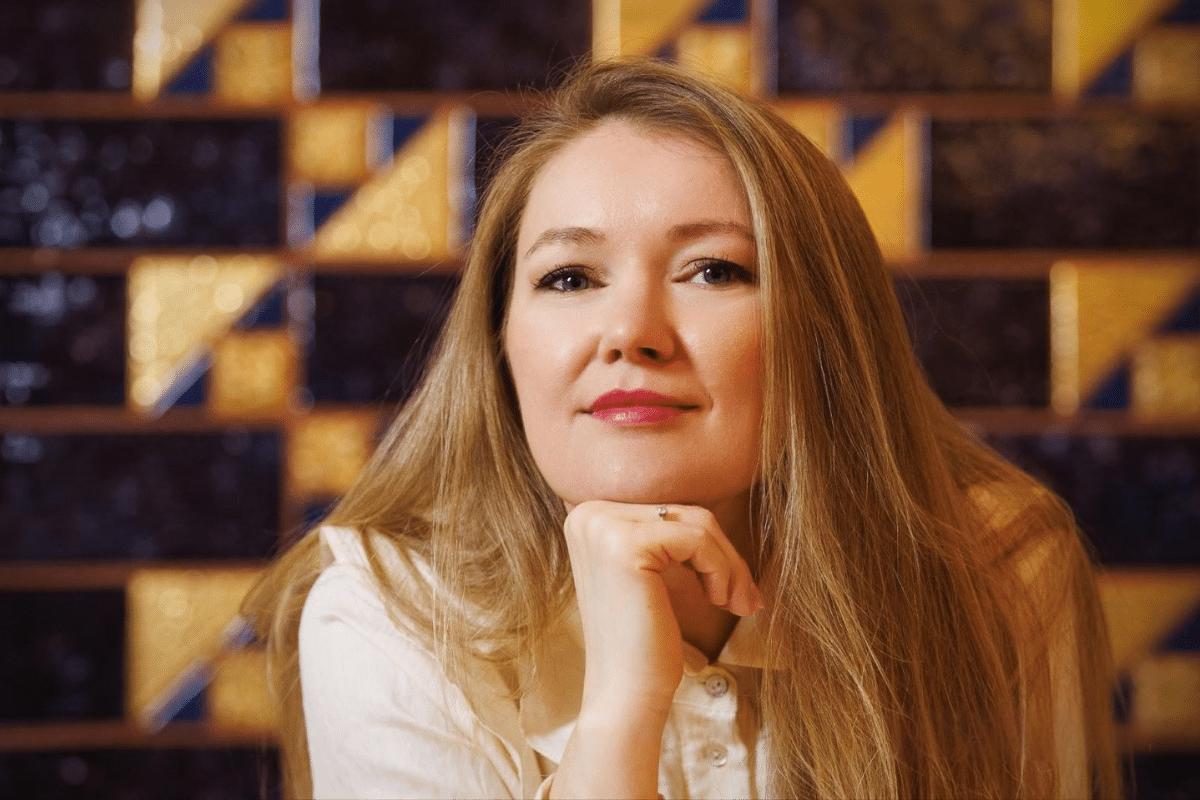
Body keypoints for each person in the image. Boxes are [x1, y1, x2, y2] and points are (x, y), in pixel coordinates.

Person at [240, 56, 1123, 799]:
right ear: (500, 344)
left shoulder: (997, 570)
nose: (631, 333)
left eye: (712, 270)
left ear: (826, 332)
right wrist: (623, 705)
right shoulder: (387, 612)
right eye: (570, 278)